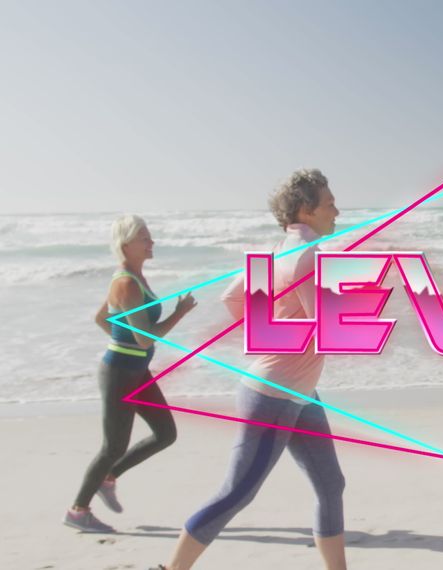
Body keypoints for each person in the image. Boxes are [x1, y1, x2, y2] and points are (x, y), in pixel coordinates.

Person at [163, 169, 347, 569]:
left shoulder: (281, 250)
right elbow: (328, 330)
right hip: (274, 395)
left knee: (331, 485)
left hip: (298, 392)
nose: (337, 210)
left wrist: (274, 334)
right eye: (330, 203)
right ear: (306, 209)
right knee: (238, 492)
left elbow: (233, 298)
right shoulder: (309, 256)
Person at [64, 215, 196, 533]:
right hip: (120, 373)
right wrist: (179, 312)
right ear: (126, 244)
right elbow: (146, 338)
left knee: (165, 434)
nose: (151, 243)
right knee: (113, 446)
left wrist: (123, 340)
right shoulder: (125, 282)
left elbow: (101, 318)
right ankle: (78, 510)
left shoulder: (134, 278)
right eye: (145, 238)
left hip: (136, 370)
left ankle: (108, 477)